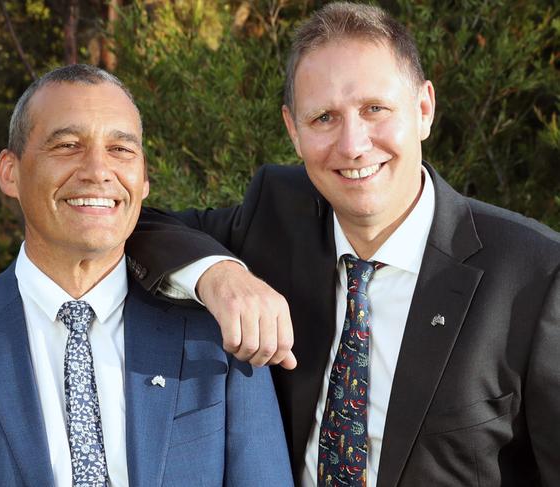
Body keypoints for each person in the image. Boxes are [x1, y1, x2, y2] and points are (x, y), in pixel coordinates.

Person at [128, 3, 560, 486]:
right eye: (324, 118)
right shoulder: (276, 216)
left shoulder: (535, 274)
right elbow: (133, 226)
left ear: (423, 110)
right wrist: (219, 275)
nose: (353, 144)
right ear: (293, 130)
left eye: (375, 109)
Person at [0, 64, 292, 487]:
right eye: (68, 145)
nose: (97, 170)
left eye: (121, 150)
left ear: (144, 178)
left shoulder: (219, 338)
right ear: (10, 172)